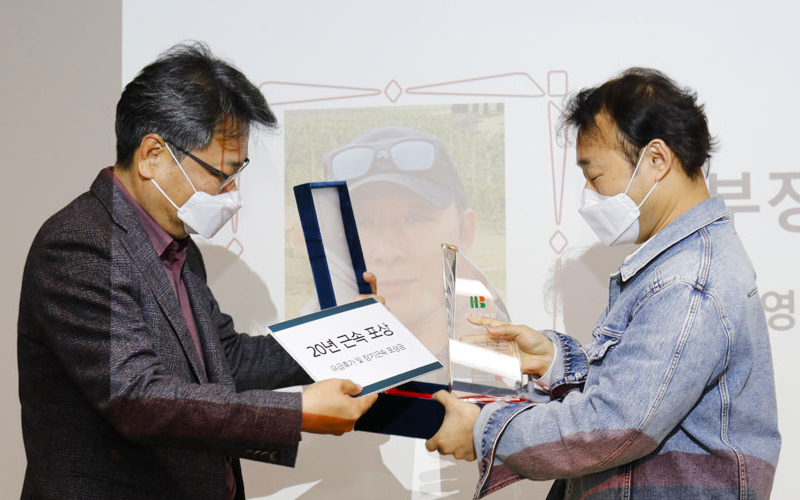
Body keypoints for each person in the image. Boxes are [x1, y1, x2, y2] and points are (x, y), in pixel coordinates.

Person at [17, 42, 377, 500]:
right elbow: (137, 397)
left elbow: (224, 361)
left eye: (237, 173)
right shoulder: (77, 245)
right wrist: (295, 412)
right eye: (221, 174)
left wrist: (348, 334)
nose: (231, 192)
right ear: (152, 155)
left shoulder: (177, 244)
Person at [425, 68, 781, 499]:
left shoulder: (688, 281)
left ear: (656, 160)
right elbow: (639, 386)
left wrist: (484, 431)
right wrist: (554, 361)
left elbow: (613, 425)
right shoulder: (681, 264)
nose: (589, 196)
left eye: (595, 177)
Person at [325, 126, 476, 359]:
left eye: (416, 219)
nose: (387, 252)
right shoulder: (310, 365)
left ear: (465, 230)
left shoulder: (506, 359)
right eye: (362, 222)